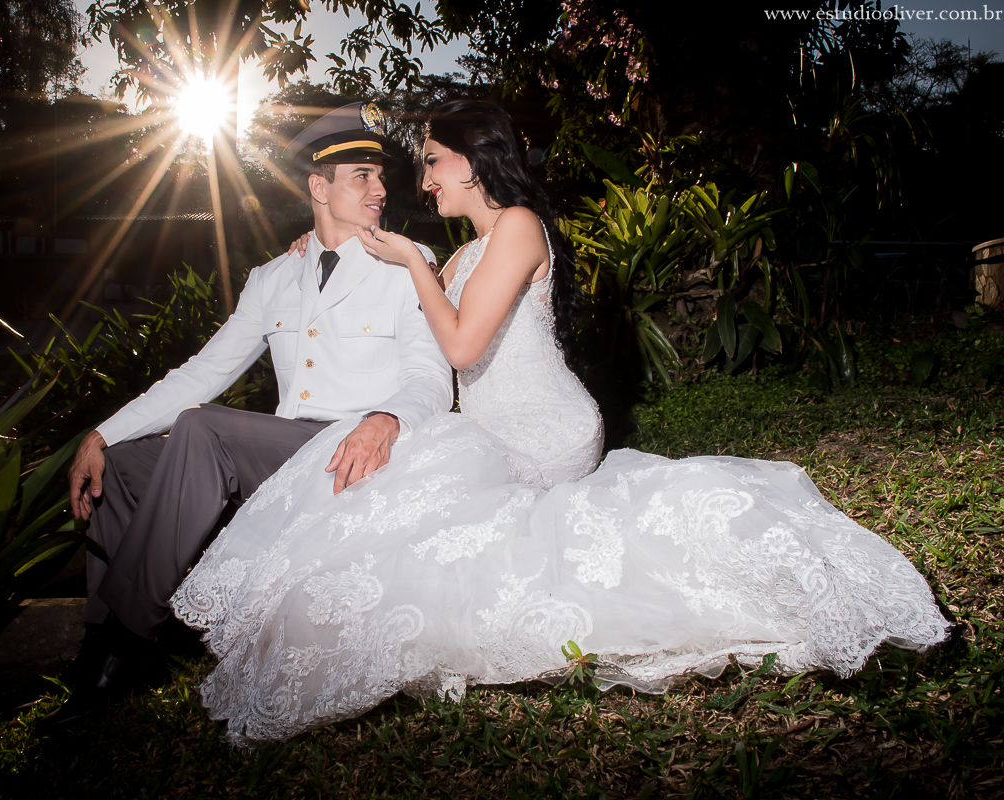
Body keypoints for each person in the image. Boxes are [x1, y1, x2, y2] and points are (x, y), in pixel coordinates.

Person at [169, 100, 950, 747]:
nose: (423, 180)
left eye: (433, 162)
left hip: (542, 427)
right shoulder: (458, 255)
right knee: (400, 505)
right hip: (487, 428)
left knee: (486, 533)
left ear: (472, 162)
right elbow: (429, 333)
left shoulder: (515, 226)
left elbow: (464, 343)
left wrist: (411, 263)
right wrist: (320, 246)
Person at [41, 102, 454, 730]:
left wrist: (386, 420)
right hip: (284, 451)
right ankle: (107, 632)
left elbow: (430, 375)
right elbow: (203, 373)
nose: (379, 188)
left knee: (204, 429)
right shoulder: (271, 278)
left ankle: (119, 650)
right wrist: (102, 432)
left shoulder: (406, 262)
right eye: (360, 177)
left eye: (380, 175)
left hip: (348, 449)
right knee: (123, 467)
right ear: (319, 187)